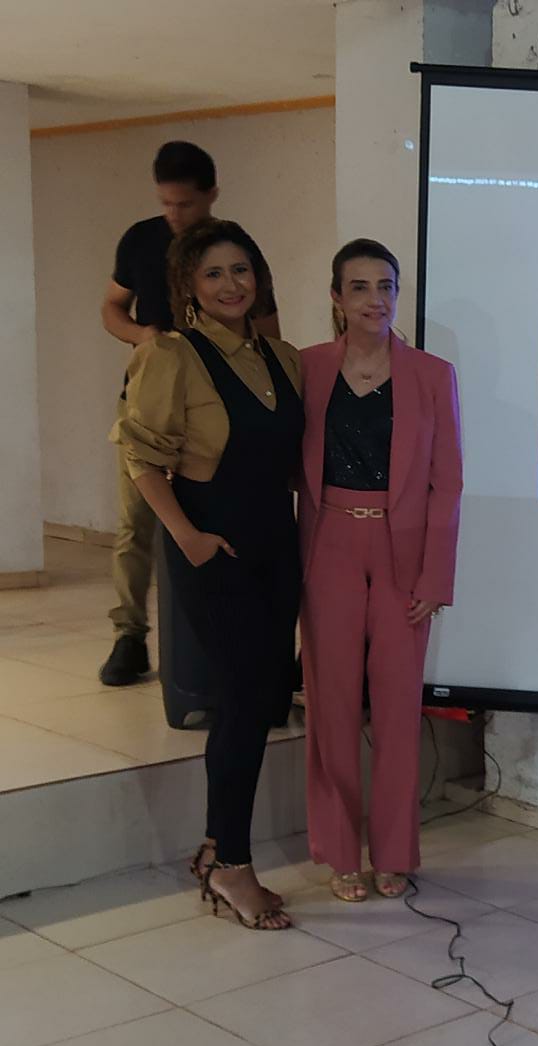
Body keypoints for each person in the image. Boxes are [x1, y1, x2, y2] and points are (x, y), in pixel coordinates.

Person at [112, 219, 300, 930]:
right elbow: (139, 454)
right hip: (211, 548)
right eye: (214, 273)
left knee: (265, 701)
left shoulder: (282, 358)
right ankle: (230, 865)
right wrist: (186, 536)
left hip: (276, 548)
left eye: (241, 270)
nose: (231, 284)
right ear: (188, 285)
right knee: (242, 703)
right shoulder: (171, 355)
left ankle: (222, 850)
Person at [299, 239, 463, 903]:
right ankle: (340, 853)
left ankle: (394, 852)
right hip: (329, 544)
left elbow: (447, 483)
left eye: (386, 286)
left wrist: (435, 578)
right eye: (360, 287)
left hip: (405, 556)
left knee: (398, 709)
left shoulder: (432, 375)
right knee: (331, 707)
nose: (376, 300)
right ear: (336, 298)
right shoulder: (308, 367)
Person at [99, 142, 280, 686]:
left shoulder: (234, 248)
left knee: (218, 517)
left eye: (186, 204)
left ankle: (227, 640)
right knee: (136, 520)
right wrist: (143, 337)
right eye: (166, 203)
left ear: (211, 195)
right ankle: (129, 634)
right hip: (152, 398)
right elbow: (111, 308)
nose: (175, 214)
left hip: (215, 406)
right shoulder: (140, 239)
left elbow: (268, 332)